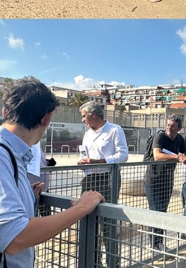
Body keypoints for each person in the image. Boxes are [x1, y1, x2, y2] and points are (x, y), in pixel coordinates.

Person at [0, 79, 104, 268]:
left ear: (4, 112)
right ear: (46, 118)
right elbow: (14, 237)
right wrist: (82, 207)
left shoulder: (4, 153)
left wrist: (24, 196)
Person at [78, 102, 128, 268]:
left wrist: (99, 161)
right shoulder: (87, 134)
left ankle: (113, 263)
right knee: (90, 222)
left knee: (108, 224)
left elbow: (123, 155)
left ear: (93, 114)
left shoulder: (115, 130)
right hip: (89, 179)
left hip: (108, 179)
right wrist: (82, 162)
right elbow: (84, 154)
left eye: (84, 116)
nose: (83, 119)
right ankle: (94, 263)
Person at [145, 115, 186, 253]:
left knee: (162, 212)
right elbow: (157, 155)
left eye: (173, 126)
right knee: (155, 211)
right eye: (168, 125)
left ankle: (159, 243)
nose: (169, 128)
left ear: (179, 128)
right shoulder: (160, 138)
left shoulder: (179, 139)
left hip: (167, 181)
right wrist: (177, 156)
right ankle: (153, 245)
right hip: (153, 180)